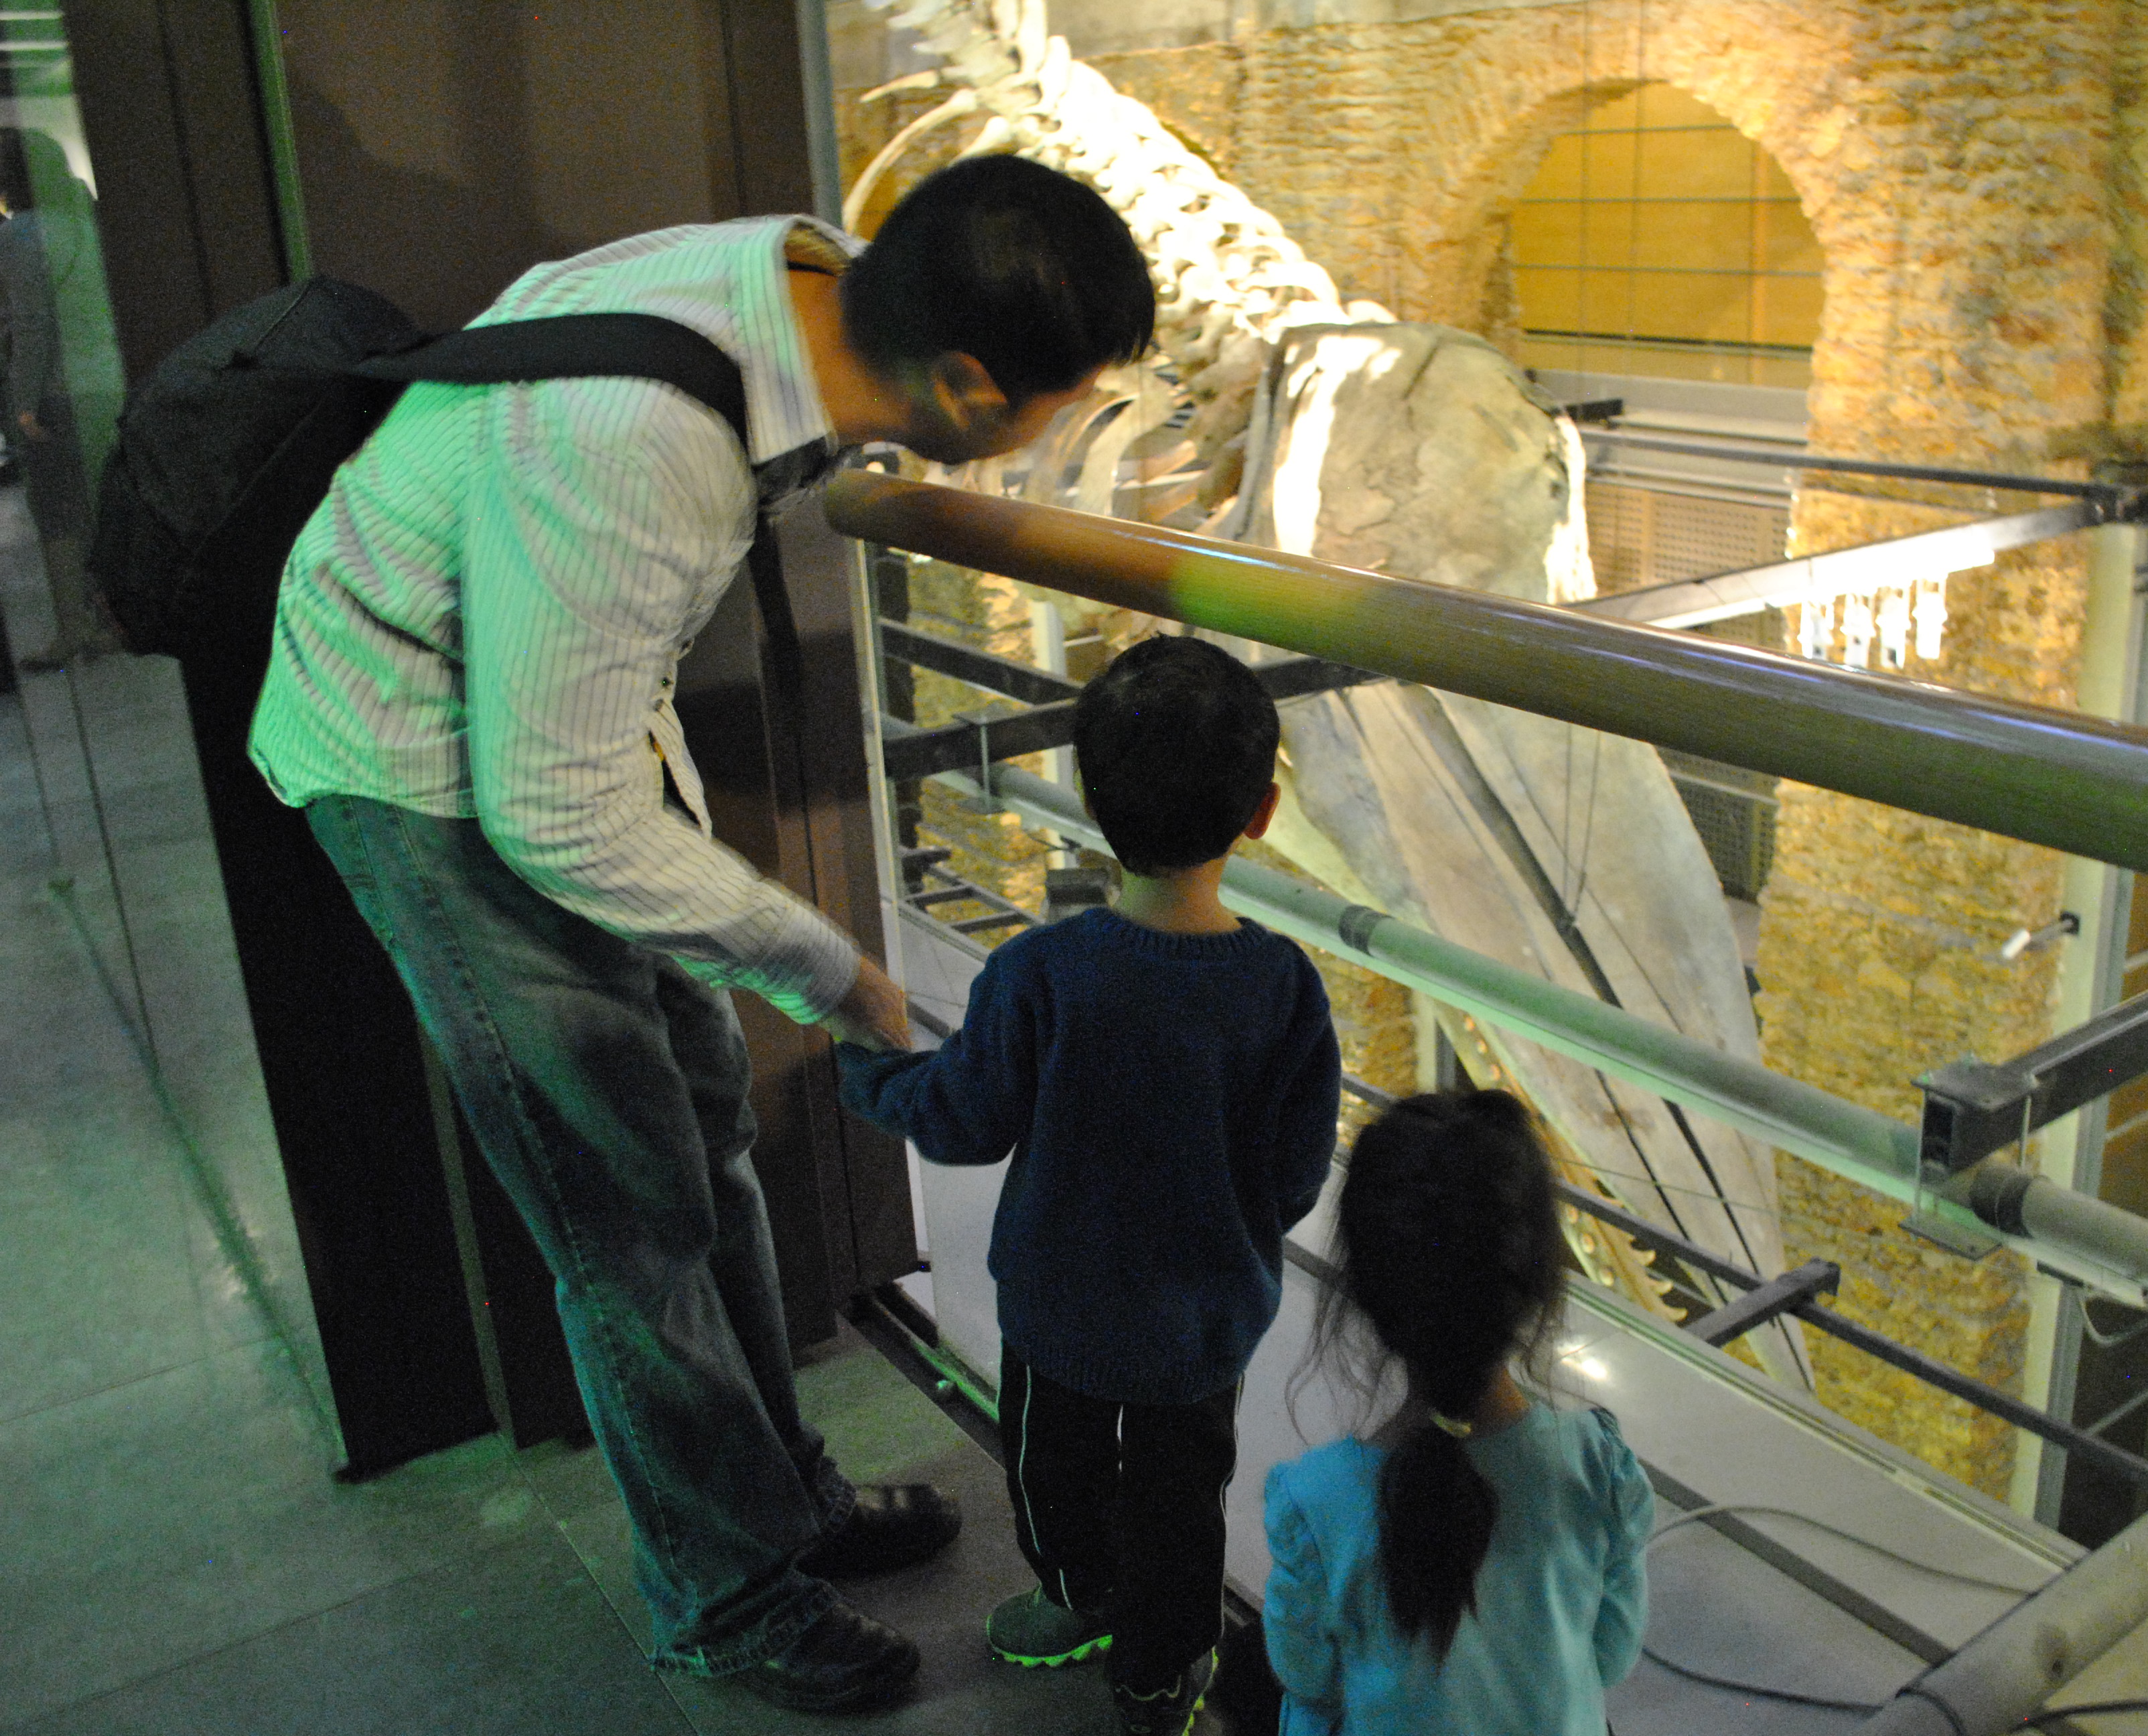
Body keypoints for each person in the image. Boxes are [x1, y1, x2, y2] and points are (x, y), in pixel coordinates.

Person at [248, 155, 1158, 1714]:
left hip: (549, 736)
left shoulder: (792, 278)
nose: (1061, 435)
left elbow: (577, 719)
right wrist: (831, 966)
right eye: (1059, 408)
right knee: (626, 1219)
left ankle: (778, 1496)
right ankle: (722, 1594)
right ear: (962, 381)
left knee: (703, 1128)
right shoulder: (639, 445)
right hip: (417, 771)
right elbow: (549, 815)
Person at [838, 632, 1342, 1736]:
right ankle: (1162, 1673)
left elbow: (964, 1117)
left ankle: (1078, 1594)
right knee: (1182, 1503)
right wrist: (1227, 1229)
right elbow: (1297, 1172)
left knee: (1046, 1471)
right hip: (1202, 1324)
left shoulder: (1040, 973)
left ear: (1086, 797)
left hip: (1056, 1309)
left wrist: (870, 1072)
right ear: (1262, 812)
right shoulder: (1285, 987)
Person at [1265, 1090, 1656, 1735]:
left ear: (1369, 1296)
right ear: (1536, 1282)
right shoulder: (1598, 1468)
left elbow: (1305, 1675)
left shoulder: (1314, 1501)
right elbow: (1609, 1658)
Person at [0, 127, 123, 671]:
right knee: (97, 505)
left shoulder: (19, 235)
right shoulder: (82, 223)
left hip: (54, 393)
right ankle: (108, 623)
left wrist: (22, 405)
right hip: (103, 380)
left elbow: (31, 327)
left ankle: (72, 628)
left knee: (56, 516)